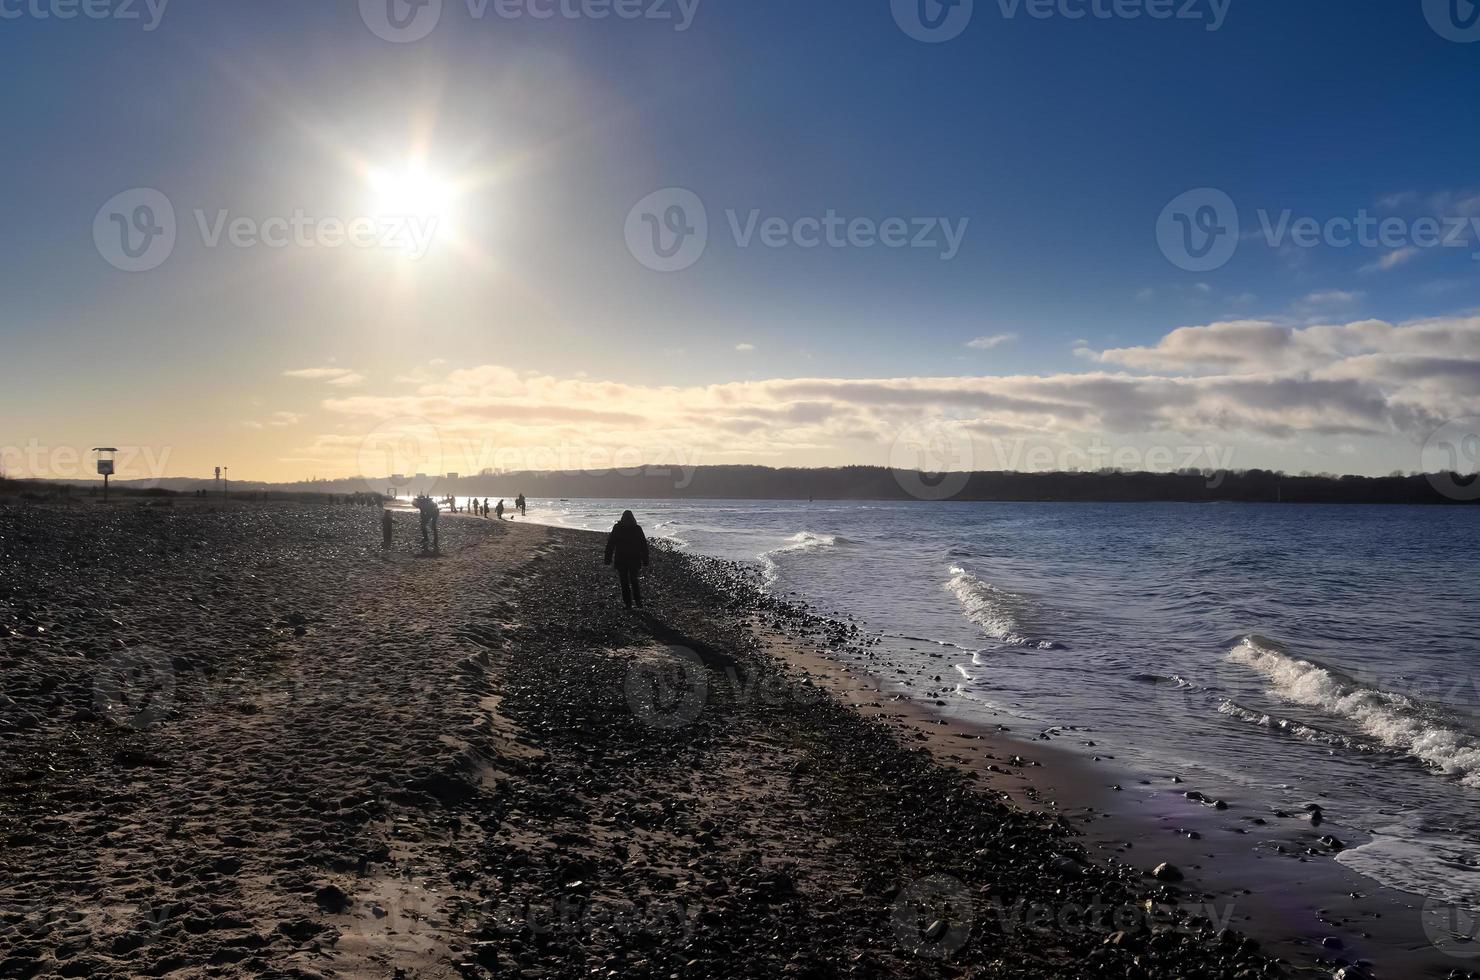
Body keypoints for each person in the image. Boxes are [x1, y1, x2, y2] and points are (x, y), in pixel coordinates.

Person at [604, 510, 650, 610]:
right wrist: (645, 559)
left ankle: (628, 603)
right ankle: (638, 602)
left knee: (624, 581)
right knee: (633, 580)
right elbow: (643, 546)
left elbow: (611, 544)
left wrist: (607, 558)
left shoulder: (618, 528)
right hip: (634, 558)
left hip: (621, 559)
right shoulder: (637, 528)